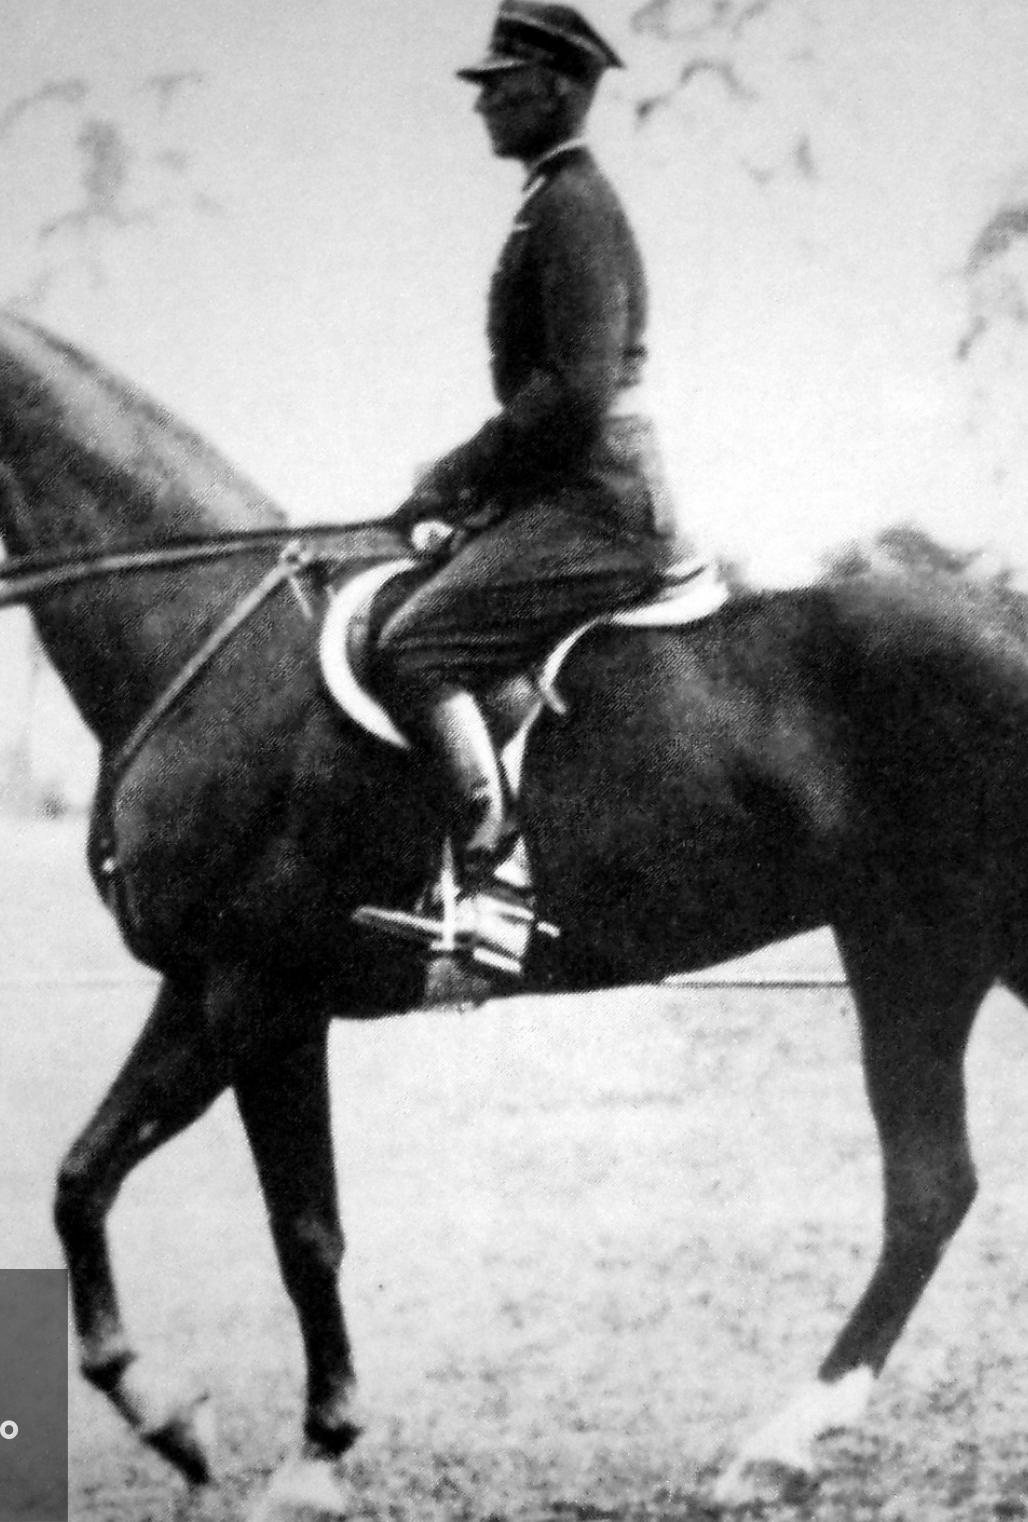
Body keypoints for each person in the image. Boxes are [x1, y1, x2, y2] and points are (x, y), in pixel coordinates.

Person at [375, 0, 683, 982]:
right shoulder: (551, 201)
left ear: (551, 87)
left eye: (498, 86)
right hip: (569, 496)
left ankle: (497, 872)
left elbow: (575, 392)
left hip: (600, 508)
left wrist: (454, 474)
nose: (483, 106)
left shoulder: (573, 208)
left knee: (416, 644)